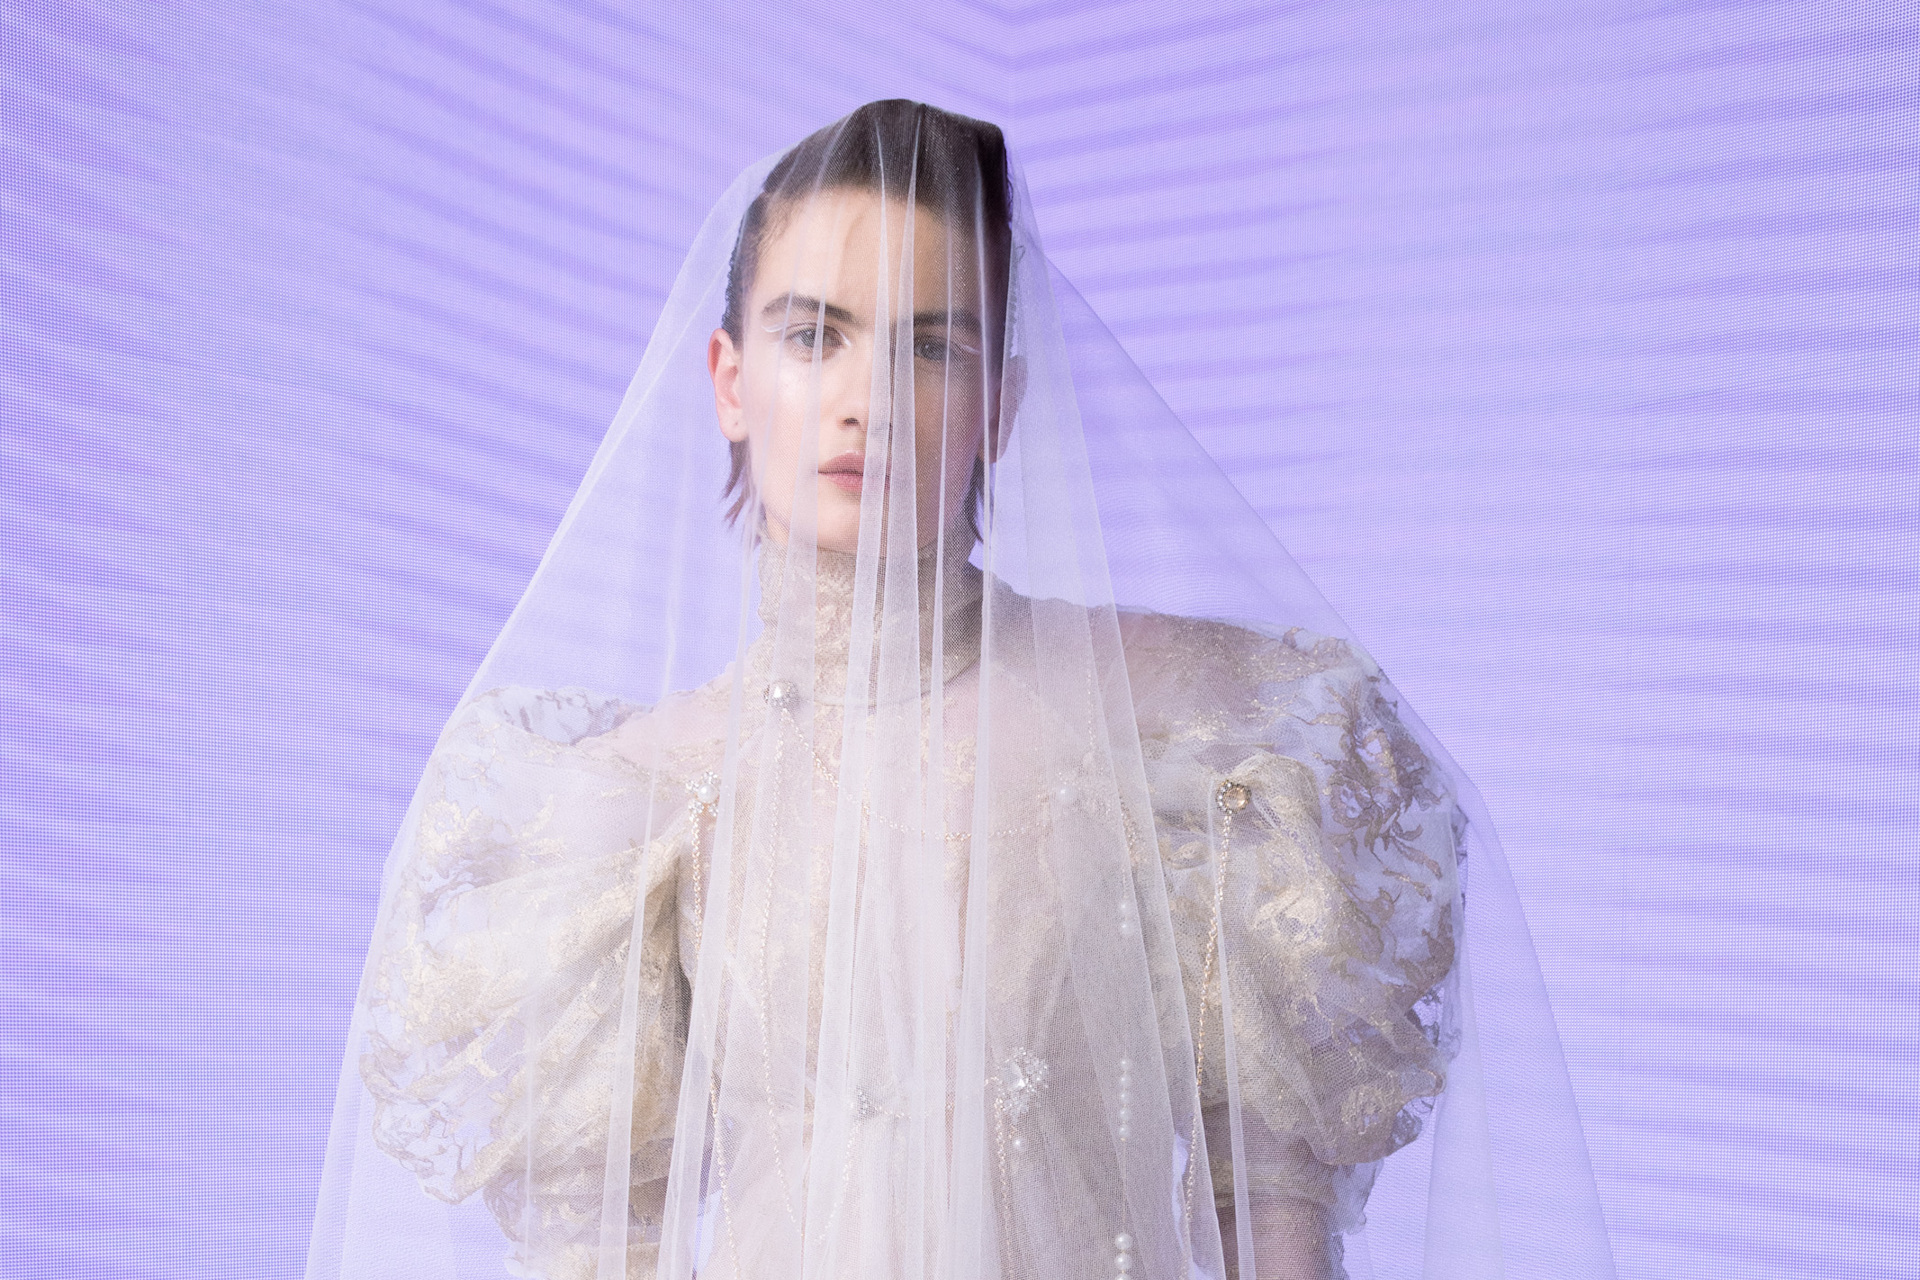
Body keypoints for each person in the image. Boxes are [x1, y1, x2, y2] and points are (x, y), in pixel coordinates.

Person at [306, 101, 1615, 1280]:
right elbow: (595, 1258)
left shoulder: (1197, 734)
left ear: (1004, 401)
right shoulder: (627, 809)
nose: (865, 398)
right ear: (728, 383)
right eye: (813, 336)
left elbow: (1275, 1219)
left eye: (932, 348)